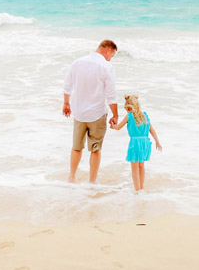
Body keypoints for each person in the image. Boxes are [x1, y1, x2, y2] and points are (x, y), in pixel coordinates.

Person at [63, 40, 118, 183]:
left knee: (76, 147)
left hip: (79, 113)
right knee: (95, 149)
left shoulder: (78, 62)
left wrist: (66, 103)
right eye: (112, 55)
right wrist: (115, 114)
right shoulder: (106, 66)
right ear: (108, 50)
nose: (111, 58)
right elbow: (111, 94)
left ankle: (71, 177)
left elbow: (67, 84)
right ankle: (92, 182)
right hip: (97, 114)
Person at [110, 94, 162, 192]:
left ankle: (137, 190)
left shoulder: (129, 116)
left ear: (129, 108)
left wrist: (112, 125)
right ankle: (141, 188)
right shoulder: (145, 116)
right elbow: (152, 131)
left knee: (134, 168)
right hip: (145, 143)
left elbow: (117, 127)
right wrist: (157, 142)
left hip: (135, 143)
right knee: (141, 166)